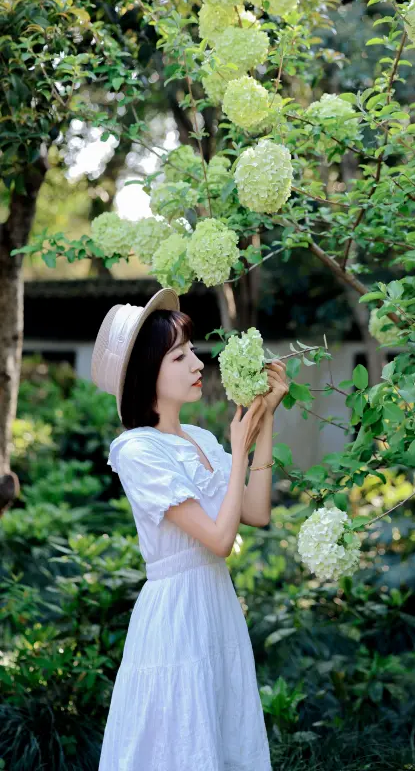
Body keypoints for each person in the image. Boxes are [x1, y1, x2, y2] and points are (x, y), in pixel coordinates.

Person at [90, 287, 288, 770]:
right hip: (176, 614)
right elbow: (220, 541)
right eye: (179, 356)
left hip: (214, 605)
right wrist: (239, 449)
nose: (198, 364)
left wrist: (267, 419)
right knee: (178, 739)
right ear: (147, 373)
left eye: (192, 352)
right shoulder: (138, 450)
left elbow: (256, 513)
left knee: (221, 730)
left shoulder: (197, 438)